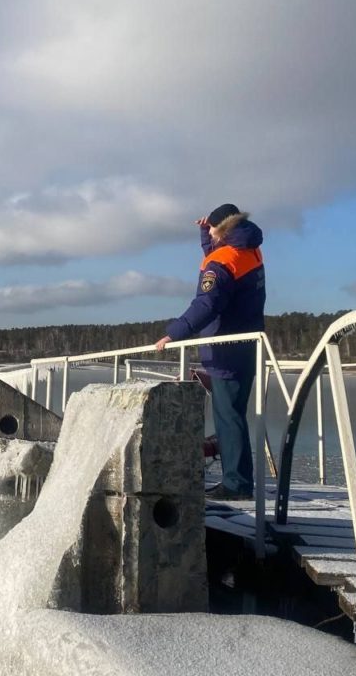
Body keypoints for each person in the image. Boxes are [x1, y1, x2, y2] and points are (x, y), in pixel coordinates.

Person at [154, 203, 266, 500]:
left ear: (222, 231)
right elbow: (221, 274)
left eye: (213, 232)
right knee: (235, 416)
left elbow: (208, 302)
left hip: (225, 350)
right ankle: (239, 480)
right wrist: (208, 234)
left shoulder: (223, 260)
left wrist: (174, 332)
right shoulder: (249, 248)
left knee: (228, 419)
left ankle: (236, 485)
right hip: (245, 347)